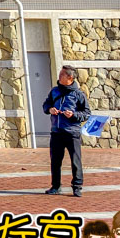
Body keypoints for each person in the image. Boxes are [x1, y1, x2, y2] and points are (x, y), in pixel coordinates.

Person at [43, 64, 91, 197]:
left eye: (62, 74)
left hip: (72, 132)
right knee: (55, 161)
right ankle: (56, 186)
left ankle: (77, 187)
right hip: (56, 131)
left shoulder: (78, 94)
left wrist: (73, 115)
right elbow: (46, 104)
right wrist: (50, 109)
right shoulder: (54, 91)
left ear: (70, 77)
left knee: (75, 161)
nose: (59, 76)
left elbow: (86, 113)